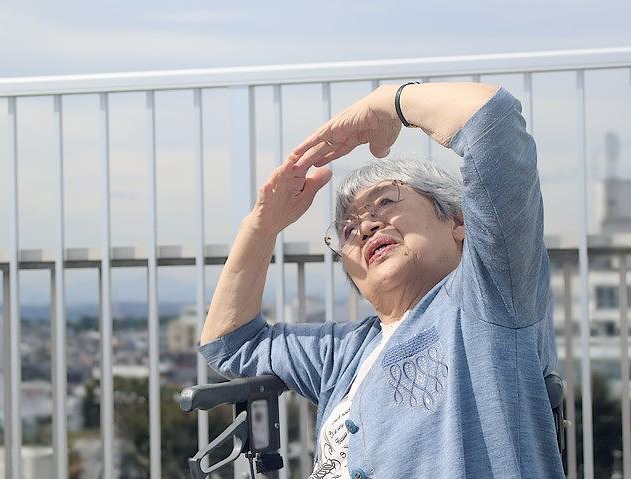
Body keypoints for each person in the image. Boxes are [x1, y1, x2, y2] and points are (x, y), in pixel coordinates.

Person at [199, 81, 563, 478]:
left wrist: (385, 104)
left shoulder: (489, 295)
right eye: (347, 231)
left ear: (458, 221)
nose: (366, 227)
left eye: (386, 202)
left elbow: (492, 121)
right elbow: (229, 343)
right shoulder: (346, 353)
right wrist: (262, 225)